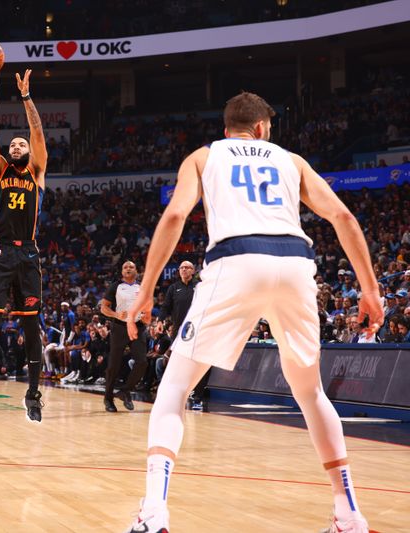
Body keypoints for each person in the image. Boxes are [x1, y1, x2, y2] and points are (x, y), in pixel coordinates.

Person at [124, 92, 383, 533]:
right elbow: (342, 216)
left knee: (174, 389)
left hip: (236, 260)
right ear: (263, 128)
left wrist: (146, 289)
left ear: (227, 131)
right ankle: (348, 513)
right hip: (296, 264)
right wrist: (371, 290)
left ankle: (153, 513)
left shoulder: (205, 157)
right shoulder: (291, 160)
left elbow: (174, 217)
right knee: (310, 393)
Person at [0, 69, 47, 424]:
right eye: (13, 144)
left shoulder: (37, 171)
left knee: (32, 327)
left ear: (30, 152)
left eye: (22, 144)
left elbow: (37, 132)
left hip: (29, 253)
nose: (17, 145)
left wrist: (26, 97)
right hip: (1, 251)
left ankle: (33, 393)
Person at [99, 261, 149, 412]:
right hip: (120, 327)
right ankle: (108, 399)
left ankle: (125, 391)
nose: (128, 269)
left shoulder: (142, 287)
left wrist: (147, 315)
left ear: (136, 271)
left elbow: (147, 307)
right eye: (125, 267)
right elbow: (103, 307)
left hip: (137, 327)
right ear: (122, 272)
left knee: (142, 362)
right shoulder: (115, 286)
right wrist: (115, 314)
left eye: (131, 267)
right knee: (113, 365)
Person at [160, 260, 206, 409]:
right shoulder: (173, 288)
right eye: (182, 268)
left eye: (187, 267)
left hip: (197, 330)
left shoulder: (200, 287)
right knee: (176, 364)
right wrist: (160, 320)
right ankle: (177, 394)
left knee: (199, 364)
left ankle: (198, 396)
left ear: (193, 271)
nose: (184, 270)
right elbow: (166, 307)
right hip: (179, 332)